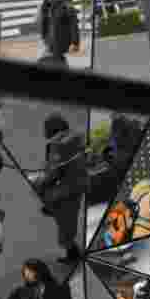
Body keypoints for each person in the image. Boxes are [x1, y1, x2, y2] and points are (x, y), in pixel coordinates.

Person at [37, 113, 86, 264]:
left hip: (66, 189)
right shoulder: (77, 137)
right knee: (68, 218)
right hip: (80, 184)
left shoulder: (57, 145)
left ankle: (73, 255)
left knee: (65, 223)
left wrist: (40, 180)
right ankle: (52, 208)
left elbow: (53, 172)